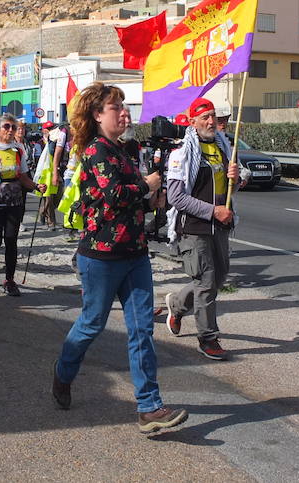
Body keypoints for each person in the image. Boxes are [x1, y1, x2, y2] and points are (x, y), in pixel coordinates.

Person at [52, 83, 187, 434]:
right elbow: (112, 195)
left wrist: (152, 198)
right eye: (116, 107)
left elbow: (130, 199)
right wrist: (147, 185)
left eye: (124, 106)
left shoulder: (125, 151)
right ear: (98, 115)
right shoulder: (96, 150)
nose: (124, 112)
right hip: (101, 256)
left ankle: (148, 407)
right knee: (92, 324)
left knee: (142, 329)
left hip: (135, 253)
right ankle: (63, 373)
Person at [162, 97, 240, 361]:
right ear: (192, 122)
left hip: (220, 225)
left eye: (213, 116)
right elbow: (176, 197)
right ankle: (208, 338)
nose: (211, 121)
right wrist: (211, 211)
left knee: (217, 279)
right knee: (206, 282)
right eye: (204, 117)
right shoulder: (181, 152)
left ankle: (176, 305)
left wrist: (236, 179)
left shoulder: (224, 148)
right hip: (194, 226)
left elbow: (229, 190)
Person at [0, 114, 46, 296]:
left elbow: (22, 177)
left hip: (14, 201)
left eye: (13, 127)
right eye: (7, 127)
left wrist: (36, 186)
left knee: (11, 240)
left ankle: (10, 280)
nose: (11, 130)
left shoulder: (18, 150)